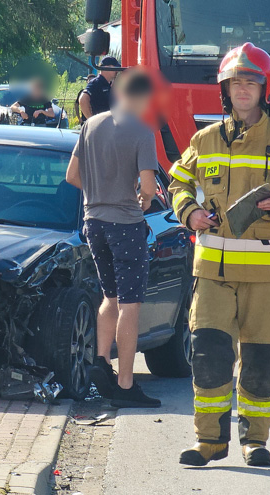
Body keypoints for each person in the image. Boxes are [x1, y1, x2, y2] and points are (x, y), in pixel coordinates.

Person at [168, 43, 270, 467]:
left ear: (264, 89)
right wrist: (190, 212)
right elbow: (177, 183)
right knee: (208, 358)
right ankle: (209, 443)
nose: (242, 90)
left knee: (259, 363)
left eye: (251, 82)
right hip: (213, 274)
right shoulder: (205, 139)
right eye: (236, 82)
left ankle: (255, 442)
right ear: (225, 89)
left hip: (267, 277)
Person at [66, 69, 161, 409]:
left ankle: (101, 362)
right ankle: (125, 384)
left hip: (94, 223)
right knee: (130, 305)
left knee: (109, 295)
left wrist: (98, 193)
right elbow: (149, 187)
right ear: (144, 97)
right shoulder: (141, 131)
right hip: (126, 225)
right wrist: (143, 198)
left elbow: (72, 176)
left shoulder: (90, 125)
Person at [77, 56, 119, 123]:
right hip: (101, 125)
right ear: (106, 68)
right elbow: (83, 99)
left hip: (109, 124)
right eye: (115, 68)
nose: (117, 71)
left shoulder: (109, 84)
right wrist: (92, 120)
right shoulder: (96, 83)